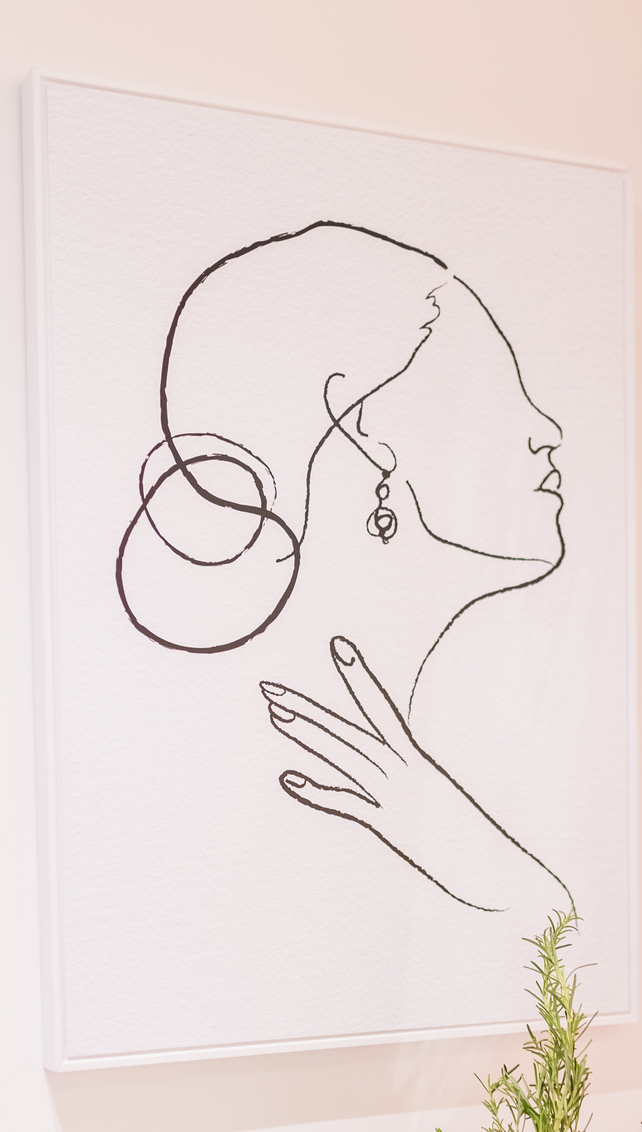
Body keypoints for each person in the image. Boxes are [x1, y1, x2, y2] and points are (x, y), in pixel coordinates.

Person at [117, 220, 573, 914]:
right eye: (496, 390)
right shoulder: (243, 789)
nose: (548, 431)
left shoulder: (468, 757)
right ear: (366, 427)